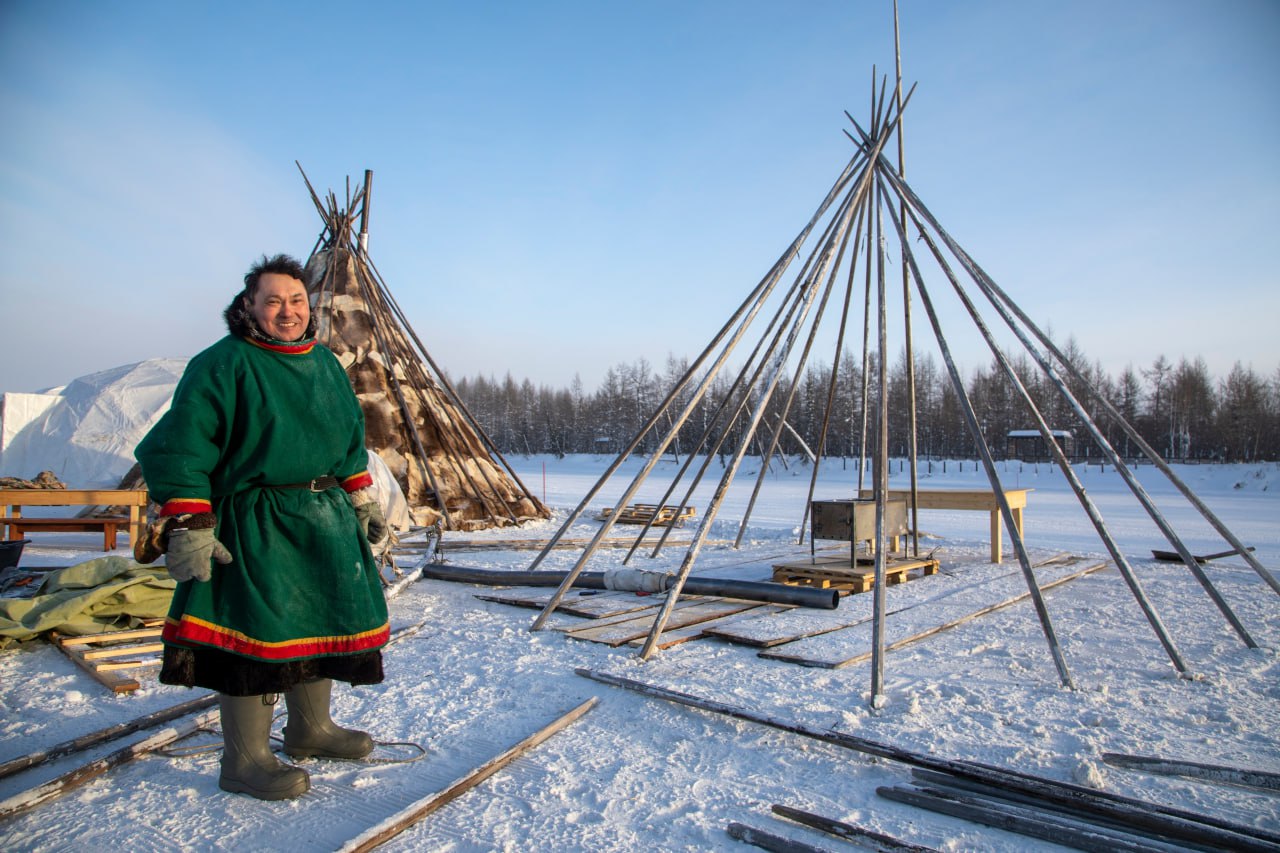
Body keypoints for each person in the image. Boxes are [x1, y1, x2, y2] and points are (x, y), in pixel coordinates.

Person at [135, 253, 390, 801]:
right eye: (273, 301)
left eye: (296, 300)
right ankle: (244, 760)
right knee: (254, 633)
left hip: (322, 518)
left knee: (320, 618)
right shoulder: (223, 363)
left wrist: (360, 498)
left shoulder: (324, 364)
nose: (287, 311)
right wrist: (190, 521)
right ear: (248, 305)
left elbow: (349, 437)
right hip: (257, 520)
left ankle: (310, 729)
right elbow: (181, 445)